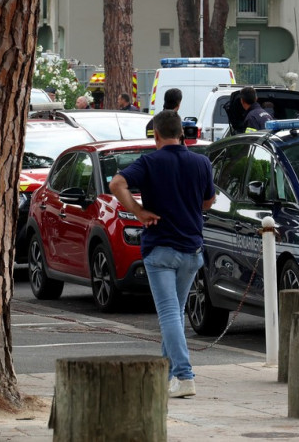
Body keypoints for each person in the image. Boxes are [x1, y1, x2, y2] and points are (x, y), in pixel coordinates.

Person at [109, 110, 214, 399]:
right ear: (182, 133)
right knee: (175, 314)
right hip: (191, 248)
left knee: (168, 313)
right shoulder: (201, 162)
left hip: (160, 248)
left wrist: (138, 211)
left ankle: (184, 374)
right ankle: (168, 375)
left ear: (155, 134)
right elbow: (209, 200)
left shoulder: (149, 162)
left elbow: (116, 184)